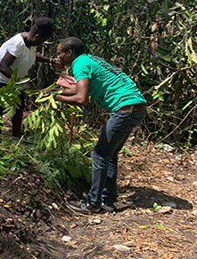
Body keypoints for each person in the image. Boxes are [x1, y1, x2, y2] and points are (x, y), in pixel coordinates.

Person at [54, 37, 147, 214]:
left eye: (59, 53)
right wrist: (57, 91)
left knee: (99, 154)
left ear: (69, 53)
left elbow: (82, 99)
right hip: (136, 108)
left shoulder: (79, 63)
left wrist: (57, 98)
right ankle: (107, 200)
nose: (58, 57)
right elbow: (79, 88)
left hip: (124, 109)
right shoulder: (90, 59)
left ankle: (92, 203)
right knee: (110, 154)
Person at [0, 17, 57, 137]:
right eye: (42, 41)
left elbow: (31, 55)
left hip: (14, 80)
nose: (41, 44)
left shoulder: (31, 42)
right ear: (37, 37)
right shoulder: (17, 43)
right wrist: (21, 82)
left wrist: (50, 60)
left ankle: (16, 135)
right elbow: (3, 66)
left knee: (17, 107)